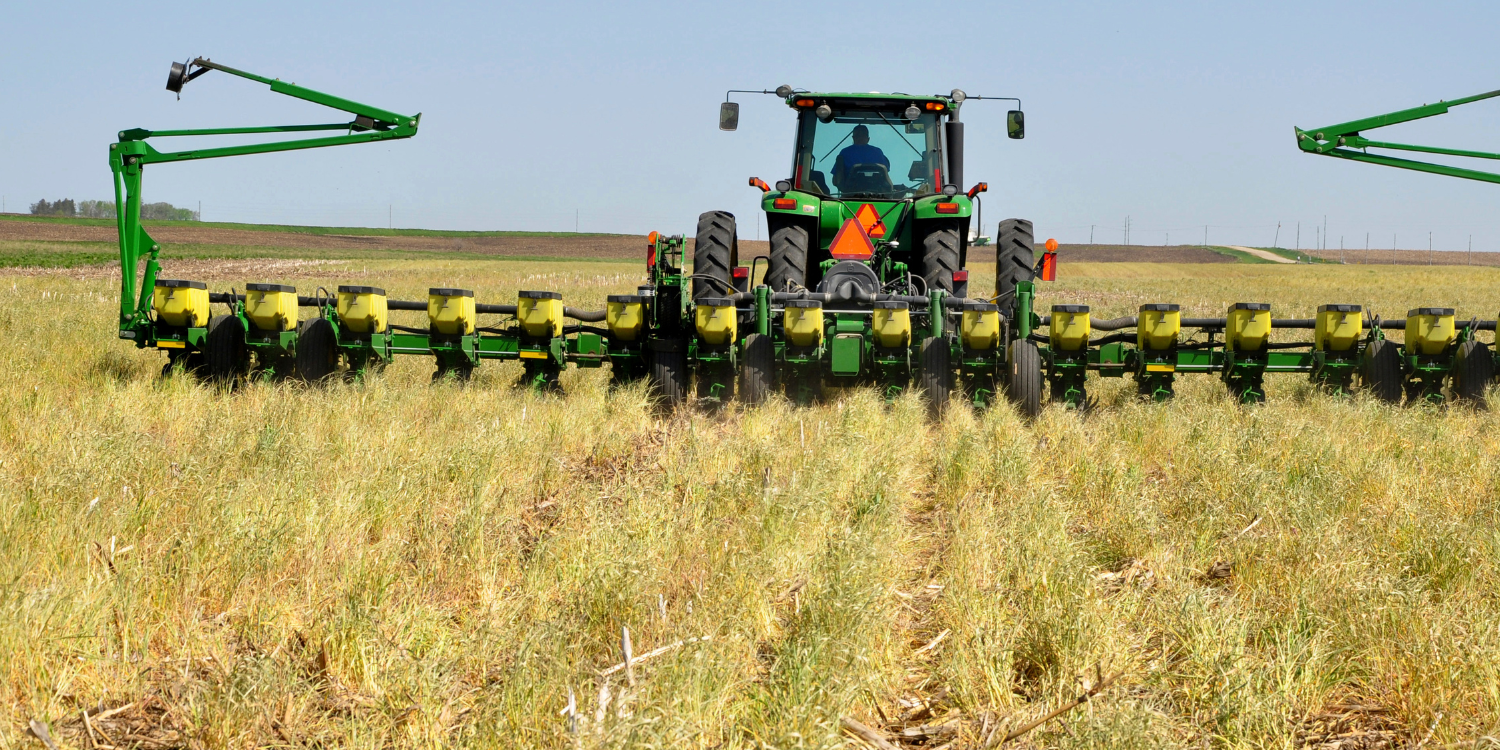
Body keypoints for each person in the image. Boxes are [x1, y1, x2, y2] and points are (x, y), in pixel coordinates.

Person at [831, 125, 889, 191]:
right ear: (868, 139)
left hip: (850, 194)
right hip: (878, 194)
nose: (860, 138)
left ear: (853, 138)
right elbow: (885, 176)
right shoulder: (878, 152)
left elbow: (835, 180)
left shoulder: (845, 152)